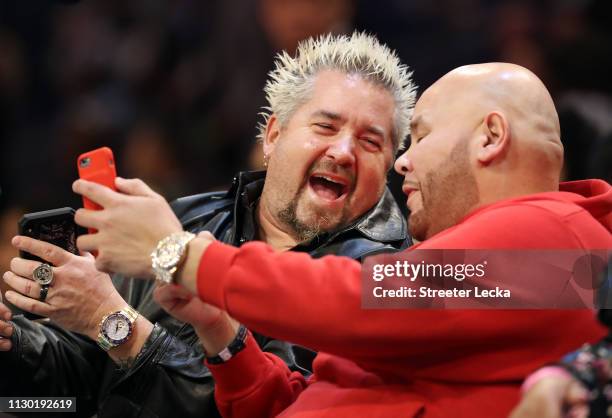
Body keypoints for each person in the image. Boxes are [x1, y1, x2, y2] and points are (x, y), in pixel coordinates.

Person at [71, 61, 611, 417]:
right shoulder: (503, 265)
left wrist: (181, 254)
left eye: (418, 135)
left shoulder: (563, 253)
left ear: (490, 137)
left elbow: (357, 299)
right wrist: (222, 333)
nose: (404, 161)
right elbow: (310, 401)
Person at [0, 32, 415, 417]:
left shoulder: (393, 278)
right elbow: (83, 378)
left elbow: (271, 408)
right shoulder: (185, 218)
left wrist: (113, 322)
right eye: (325, 126)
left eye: (370, 141)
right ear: (273, 135)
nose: (343, 151)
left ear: (388, 170)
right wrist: (14, 344)